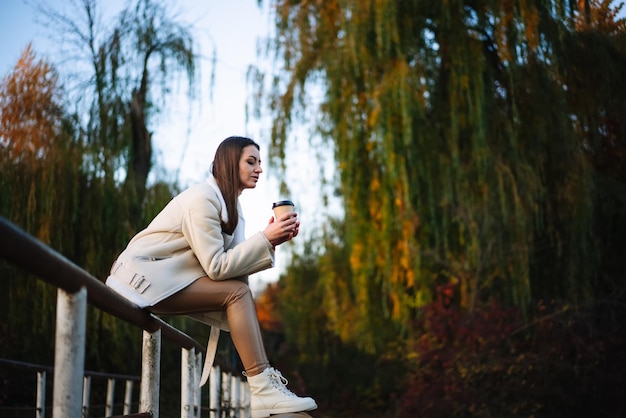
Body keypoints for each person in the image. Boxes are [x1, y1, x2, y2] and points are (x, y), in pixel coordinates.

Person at [106, 136, 317, 417]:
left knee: (238, 292)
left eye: (260, 163)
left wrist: (269, 241)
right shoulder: (202, 199)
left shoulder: (234, 210)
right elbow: (217, 267)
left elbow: (233, 270)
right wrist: (264, 239)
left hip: (165, 280)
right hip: (139, 278)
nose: (259, 169)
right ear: (231, 163)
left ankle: (265, 388)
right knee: (238, 294)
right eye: (251, 161)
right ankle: (263, 388)